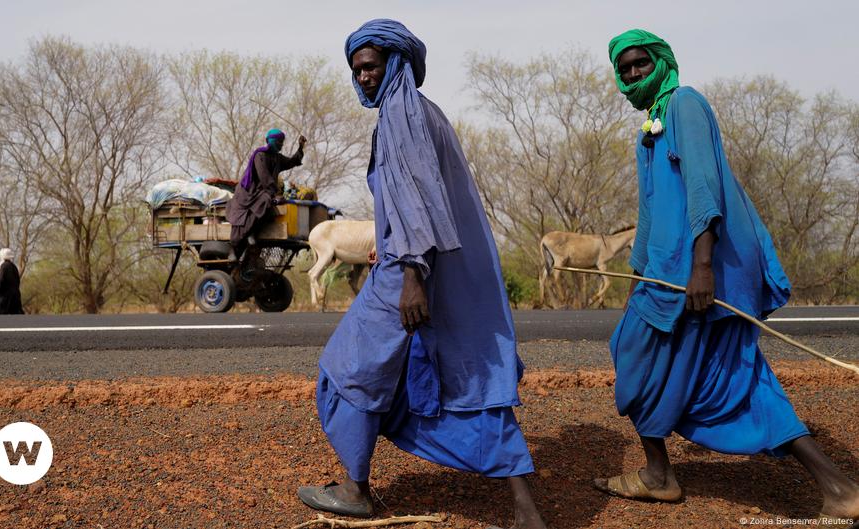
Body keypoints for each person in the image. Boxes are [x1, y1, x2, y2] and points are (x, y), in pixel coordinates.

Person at [595, 29, 859, 525]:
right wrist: (636, 280)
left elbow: (703, 184)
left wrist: (700, 267)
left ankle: (659, 475)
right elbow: (649, 212)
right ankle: (836, 486)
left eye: (639, 64)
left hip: (698, 274)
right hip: (664, 275)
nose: (632, 74)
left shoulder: (685, 105)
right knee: (706, 369)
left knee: (674, 364)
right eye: (624, 68)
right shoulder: (648, 129)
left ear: (661, 63)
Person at [296, 19, 547, 529]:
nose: (363, 77)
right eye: (356, 69)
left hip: (409, 273)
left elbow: (415, 197)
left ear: (396, 62)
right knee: (464, 375)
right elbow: (423, 197)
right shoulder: (424, 111)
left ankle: (355, 489)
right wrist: (394, 246)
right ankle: (525, 511)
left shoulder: (401, 113)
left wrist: (410, 269)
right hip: (416, 263)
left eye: (370, 66)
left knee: (349, 370)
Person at [225, 128, 306, 256]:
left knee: (270, 201)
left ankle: (252, 232)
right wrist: (274, 194)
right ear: (271, 141)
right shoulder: (260, 155)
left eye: (282, 142)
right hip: (249, 193)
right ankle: (244, 237)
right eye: (279, 142)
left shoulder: (277, 158)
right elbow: (265, 177)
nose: (281, 145)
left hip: (264, 192)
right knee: (266, 200)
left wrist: (301, 147)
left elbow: (292, 162)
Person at [0, 248, 24, 315]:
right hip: (15, 296)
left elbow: (1, 279)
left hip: (5, 295)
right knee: (17, 314)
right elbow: (17, 280)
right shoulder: (13, 266)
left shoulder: (4, 266)